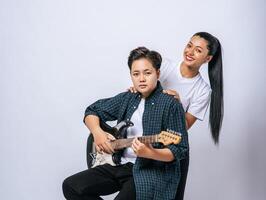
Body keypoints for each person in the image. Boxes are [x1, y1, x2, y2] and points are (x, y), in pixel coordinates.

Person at [62, 47, 189, 200]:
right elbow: (92, 111)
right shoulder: (128, 98)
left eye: (147, 73)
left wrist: (150, 153)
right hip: (118, 164)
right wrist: (98, 133)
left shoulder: (170, 104)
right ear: (131, 75)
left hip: (149, 171)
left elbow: (180, 150)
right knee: (71, 186)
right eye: (136, 74)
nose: (141, 78)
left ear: (158, 73)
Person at [131, 32, 224, 200]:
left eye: (198, 50)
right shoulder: (165, 66)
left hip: (172, 148)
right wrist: (134, 90)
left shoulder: (203, 90)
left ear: (207, 59)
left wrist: (178, 105)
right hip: (146, 141)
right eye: (189, 45)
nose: (190, 52)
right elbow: (141, 82)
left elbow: (185, 126)